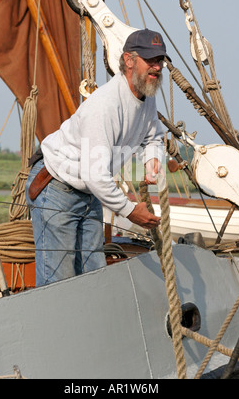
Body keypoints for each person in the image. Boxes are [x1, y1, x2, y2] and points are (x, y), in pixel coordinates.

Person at [25, 28, 170, 286]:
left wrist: (152, 160)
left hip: (88, 192)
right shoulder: (105, 105)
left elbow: (154, 136)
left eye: (159, 60)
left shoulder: (146, 100)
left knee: (94, 277)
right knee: (58, 283)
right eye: (150, 60)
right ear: (128, 60)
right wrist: (129, 211)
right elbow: (95, 174)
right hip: (57, 188)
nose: (157, 67)